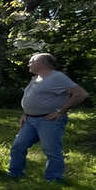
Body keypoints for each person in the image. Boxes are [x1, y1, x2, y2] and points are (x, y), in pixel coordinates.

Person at [7, 53, 89, 181]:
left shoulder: (57, 77)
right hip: (30, 120)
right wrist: (25, 113)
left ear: (43, 63)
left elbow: (81, 94)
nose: (29, 64)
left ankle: (54, 179)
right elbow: (32, 98)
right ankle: (14, 174)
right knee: (18, 145)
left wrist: (60, 111)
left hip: (48, 120)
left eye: (32, 61)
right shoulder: (36, 78)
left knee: (51, 150)